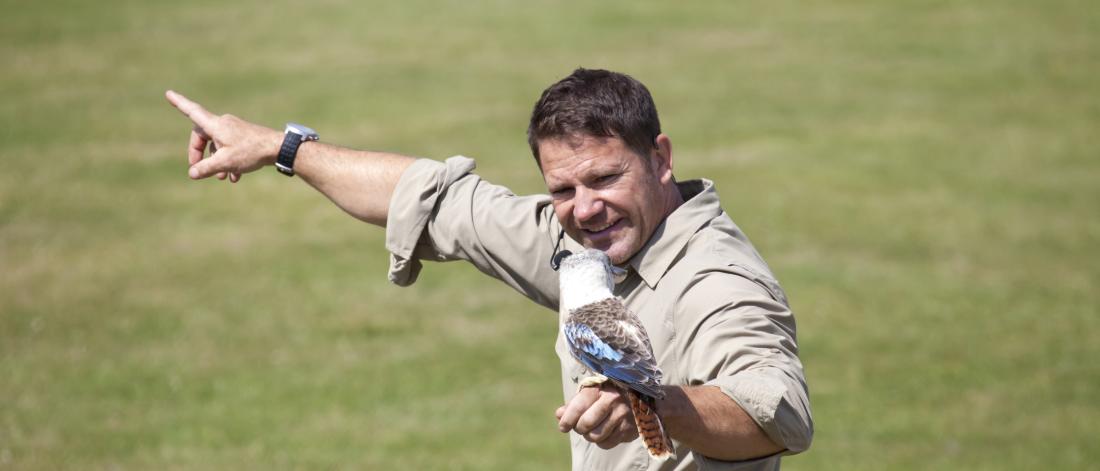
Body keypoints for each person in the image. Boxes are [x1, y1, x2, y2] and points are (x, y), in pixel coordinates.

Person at [165, 68, 813, 470]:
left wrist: (655, 406)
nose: (585, 206)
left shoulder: (720, 280)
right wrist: (280, 147)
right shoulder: (591, 245)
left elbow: (779, 414)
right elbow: (438, 201)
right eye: (562, 188)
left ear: (660, 157)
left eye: (606, 177)